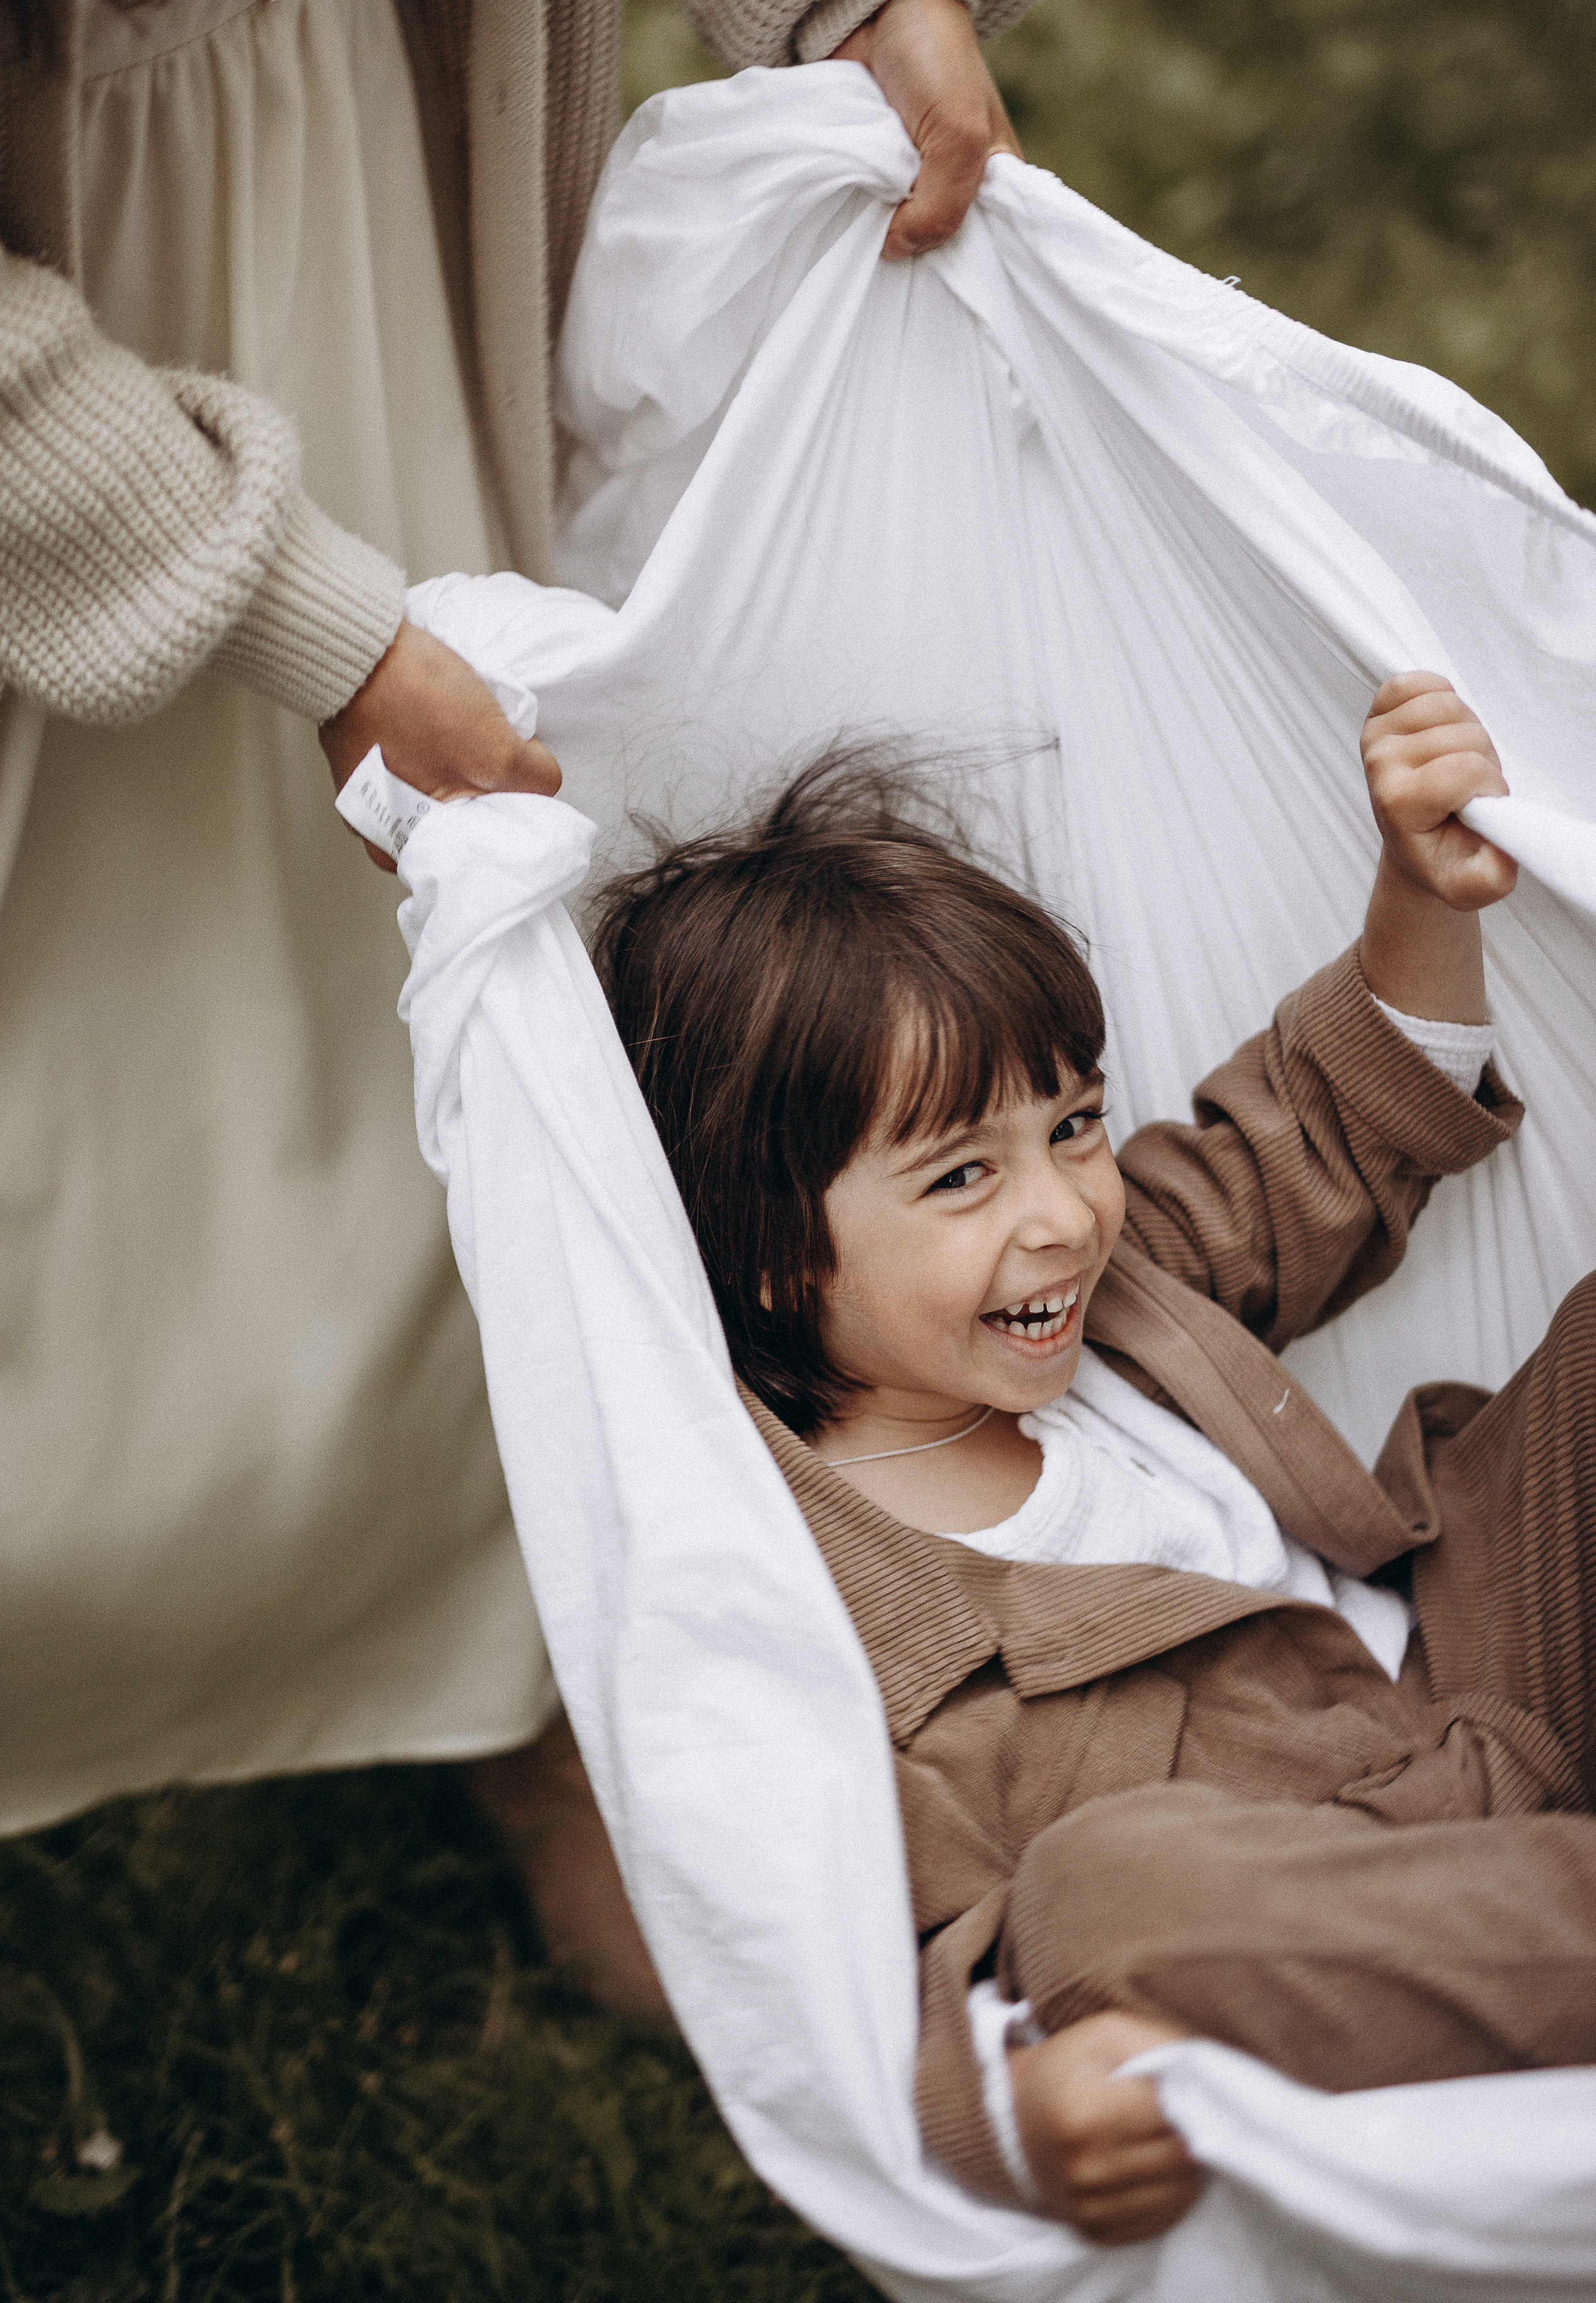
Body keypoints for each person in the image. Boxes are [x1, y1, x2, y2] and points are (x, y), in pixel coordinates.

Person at [0, 0, 1058, 2009]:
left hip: (368, 160)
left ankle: (525, 1647)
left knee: (454, 1040)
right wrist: (297, 612)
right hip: (45, 267)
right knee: (70, 1094)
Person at [590, 672, 1596, 2240]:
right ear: (774, 1251)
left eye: (1068, 1124)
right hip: (1323, 1886)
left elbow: (1315, 1138)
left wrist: (1419, 886)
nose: (1059, 1208)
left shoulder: (1104, 1296)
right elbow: (849, 1962)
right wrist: (1006, 2120)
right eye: (957, 1178)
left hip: (1473, 1681)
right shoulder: (805, 1598)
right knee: (1099, 1904)